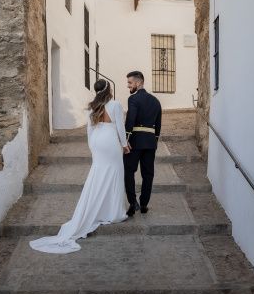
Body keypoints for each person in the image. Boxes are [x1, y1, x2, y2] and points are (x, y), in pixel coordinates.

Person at [29, 79, 129, 254]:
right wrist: (125, 144)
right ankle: (113, 212)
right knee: (114, 174)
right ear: (109, 89)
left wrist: (92, 147)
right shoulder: (115, 105)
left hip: (97, 142)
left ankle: (96, 209)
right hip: (110, 142)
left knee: (98, 174)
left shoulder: (92, 107)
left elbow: (89, 130)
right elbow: (120, 127)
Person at [123, 70, 162, 216]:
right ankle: (144, 204)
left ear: (139, 83)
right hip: (150, 143)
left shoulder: (133, 99)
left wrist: (125, 140)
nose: (128, 86)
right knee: (148, 174)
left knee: (128, 171)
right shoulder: (156, 101)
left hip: (135, 142)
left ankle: (133, 203)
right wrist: (154, 141)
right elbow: (158, 125)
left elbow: (130, 120)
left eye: (130, 82)